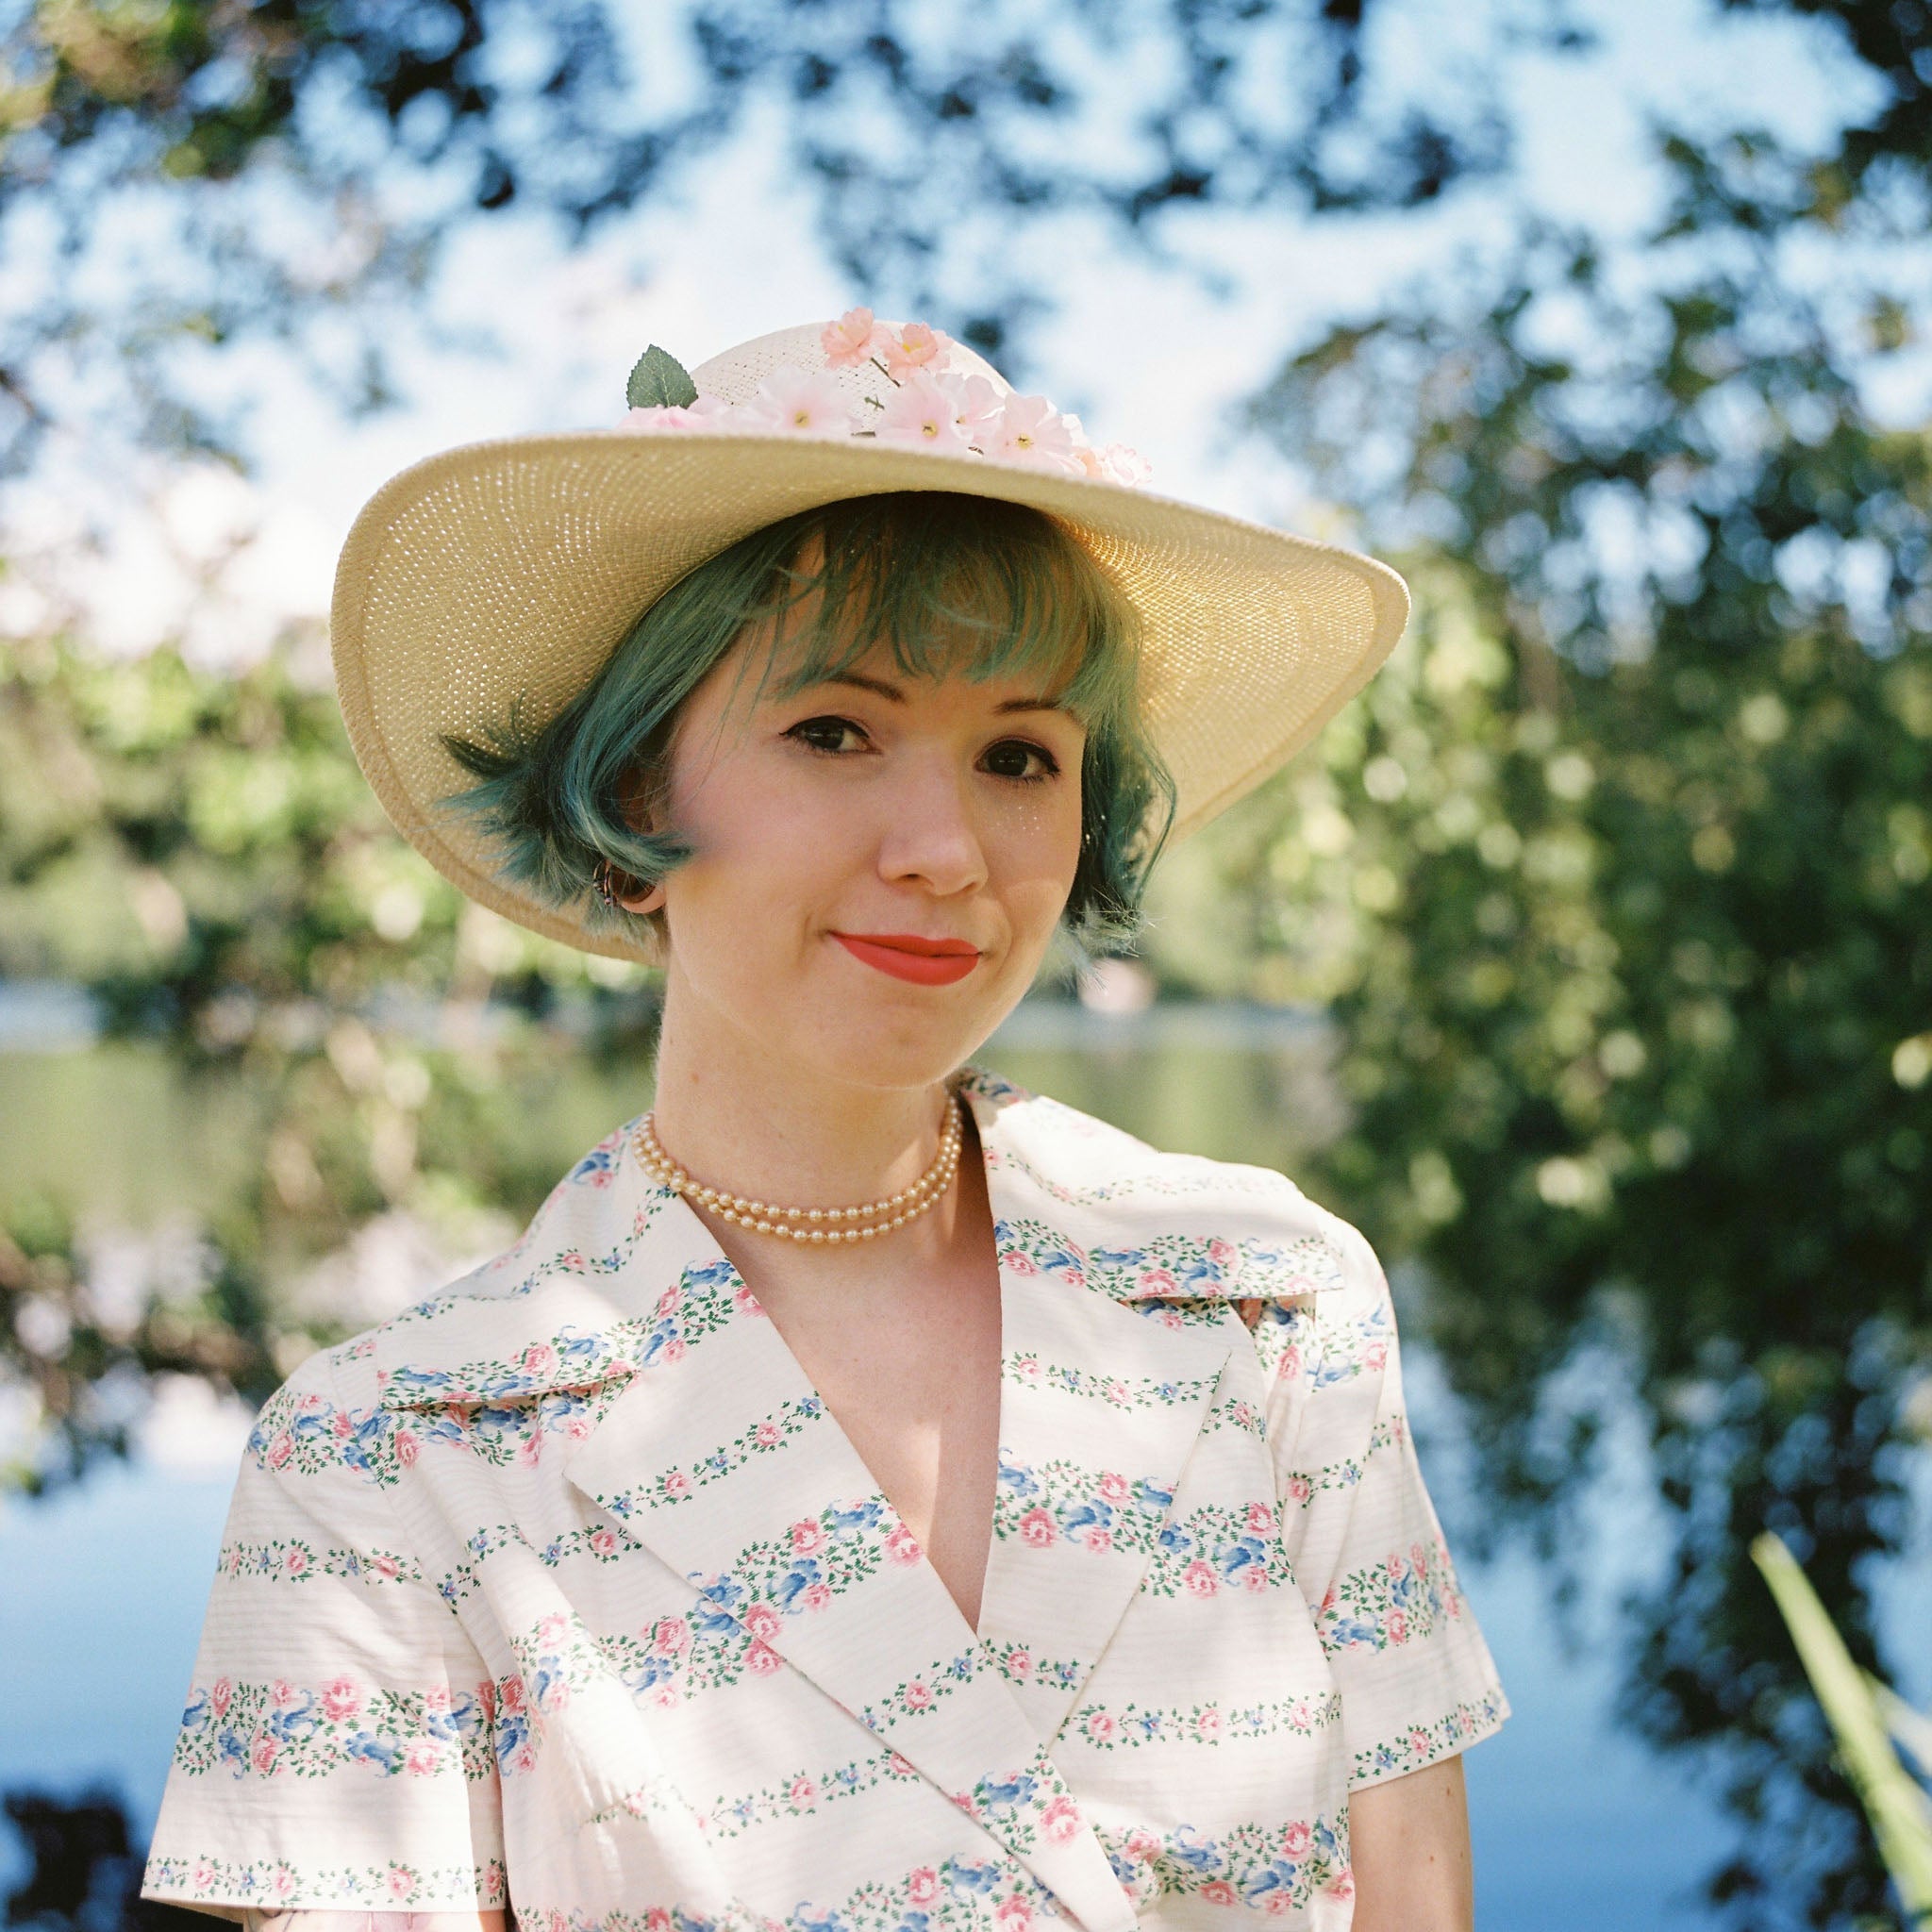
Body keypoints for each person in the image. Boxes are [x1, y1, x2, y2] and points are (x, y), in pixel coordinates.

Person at [139, 314, 1507, 1932]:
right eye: (835, 730)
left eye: (1020, 753)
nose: (946, 849)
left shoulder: (1274, 1301)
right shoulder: (395, 1456)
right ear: (637, 793)